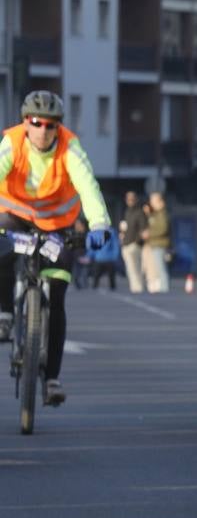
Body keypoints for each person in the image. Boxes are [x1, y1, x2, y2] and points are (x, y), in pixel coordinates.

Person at [0, 90, 112, 406]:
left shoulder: (70, 148)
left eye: (51, 125)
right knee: (2, 249)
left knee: (58, 293)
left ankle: (51, 379)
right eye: (37, 123)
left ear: (59, 127)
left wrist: (99, 225)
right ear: (26, 122)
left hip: (56, 225)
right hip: (14, 217)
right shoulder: (11, 143)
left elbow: (89, 187)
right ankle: (5, 313)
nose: (43, 131)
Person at [142, 191, 170, 293]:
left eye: (153, 201)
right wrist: (148, 214)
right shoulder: (155, 213)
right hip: (154, 244)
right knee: (157, 267)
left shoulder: (162, 214)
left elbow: (163, 228)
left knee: (160, 267)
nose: (151, 203)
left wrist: (149, 233)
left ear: (159, 202)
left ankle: (164, 287)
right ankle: (161, 287)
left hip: (159, 244)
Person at [120, 191, 148, 293]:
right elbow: (124, 227)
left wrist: (137, 242)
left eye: (132, 199)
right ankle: (134, 287)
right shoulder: (127, 212)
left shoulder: (139, 213)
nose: (130, 201)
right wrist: (122, 235)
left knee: (135, 267)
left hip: (134, 244)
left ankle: (138, 288)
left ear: (136, 199)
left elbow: (143, 229)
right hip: (126, 244)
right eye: (128, 199)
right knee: (130, 268)